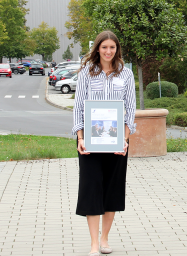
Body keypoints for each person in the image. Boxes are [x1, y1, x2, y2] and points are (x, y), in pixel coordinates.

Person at [72, 30, 136, 255]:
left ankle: (105, 239)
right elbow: (78, 108)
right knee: (91, 189)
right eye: (104, 47)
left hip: (118, 143)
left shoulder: (126, 75)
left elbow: (130, 111)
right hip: (90, 142)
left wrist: (125, 140)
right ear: (97, 49)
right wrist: (80, 138)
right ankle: (92, 243)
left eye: (112, 47)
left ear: (117, 49)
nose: (108, 51)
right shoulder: (86, 74)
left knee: (112, 190)